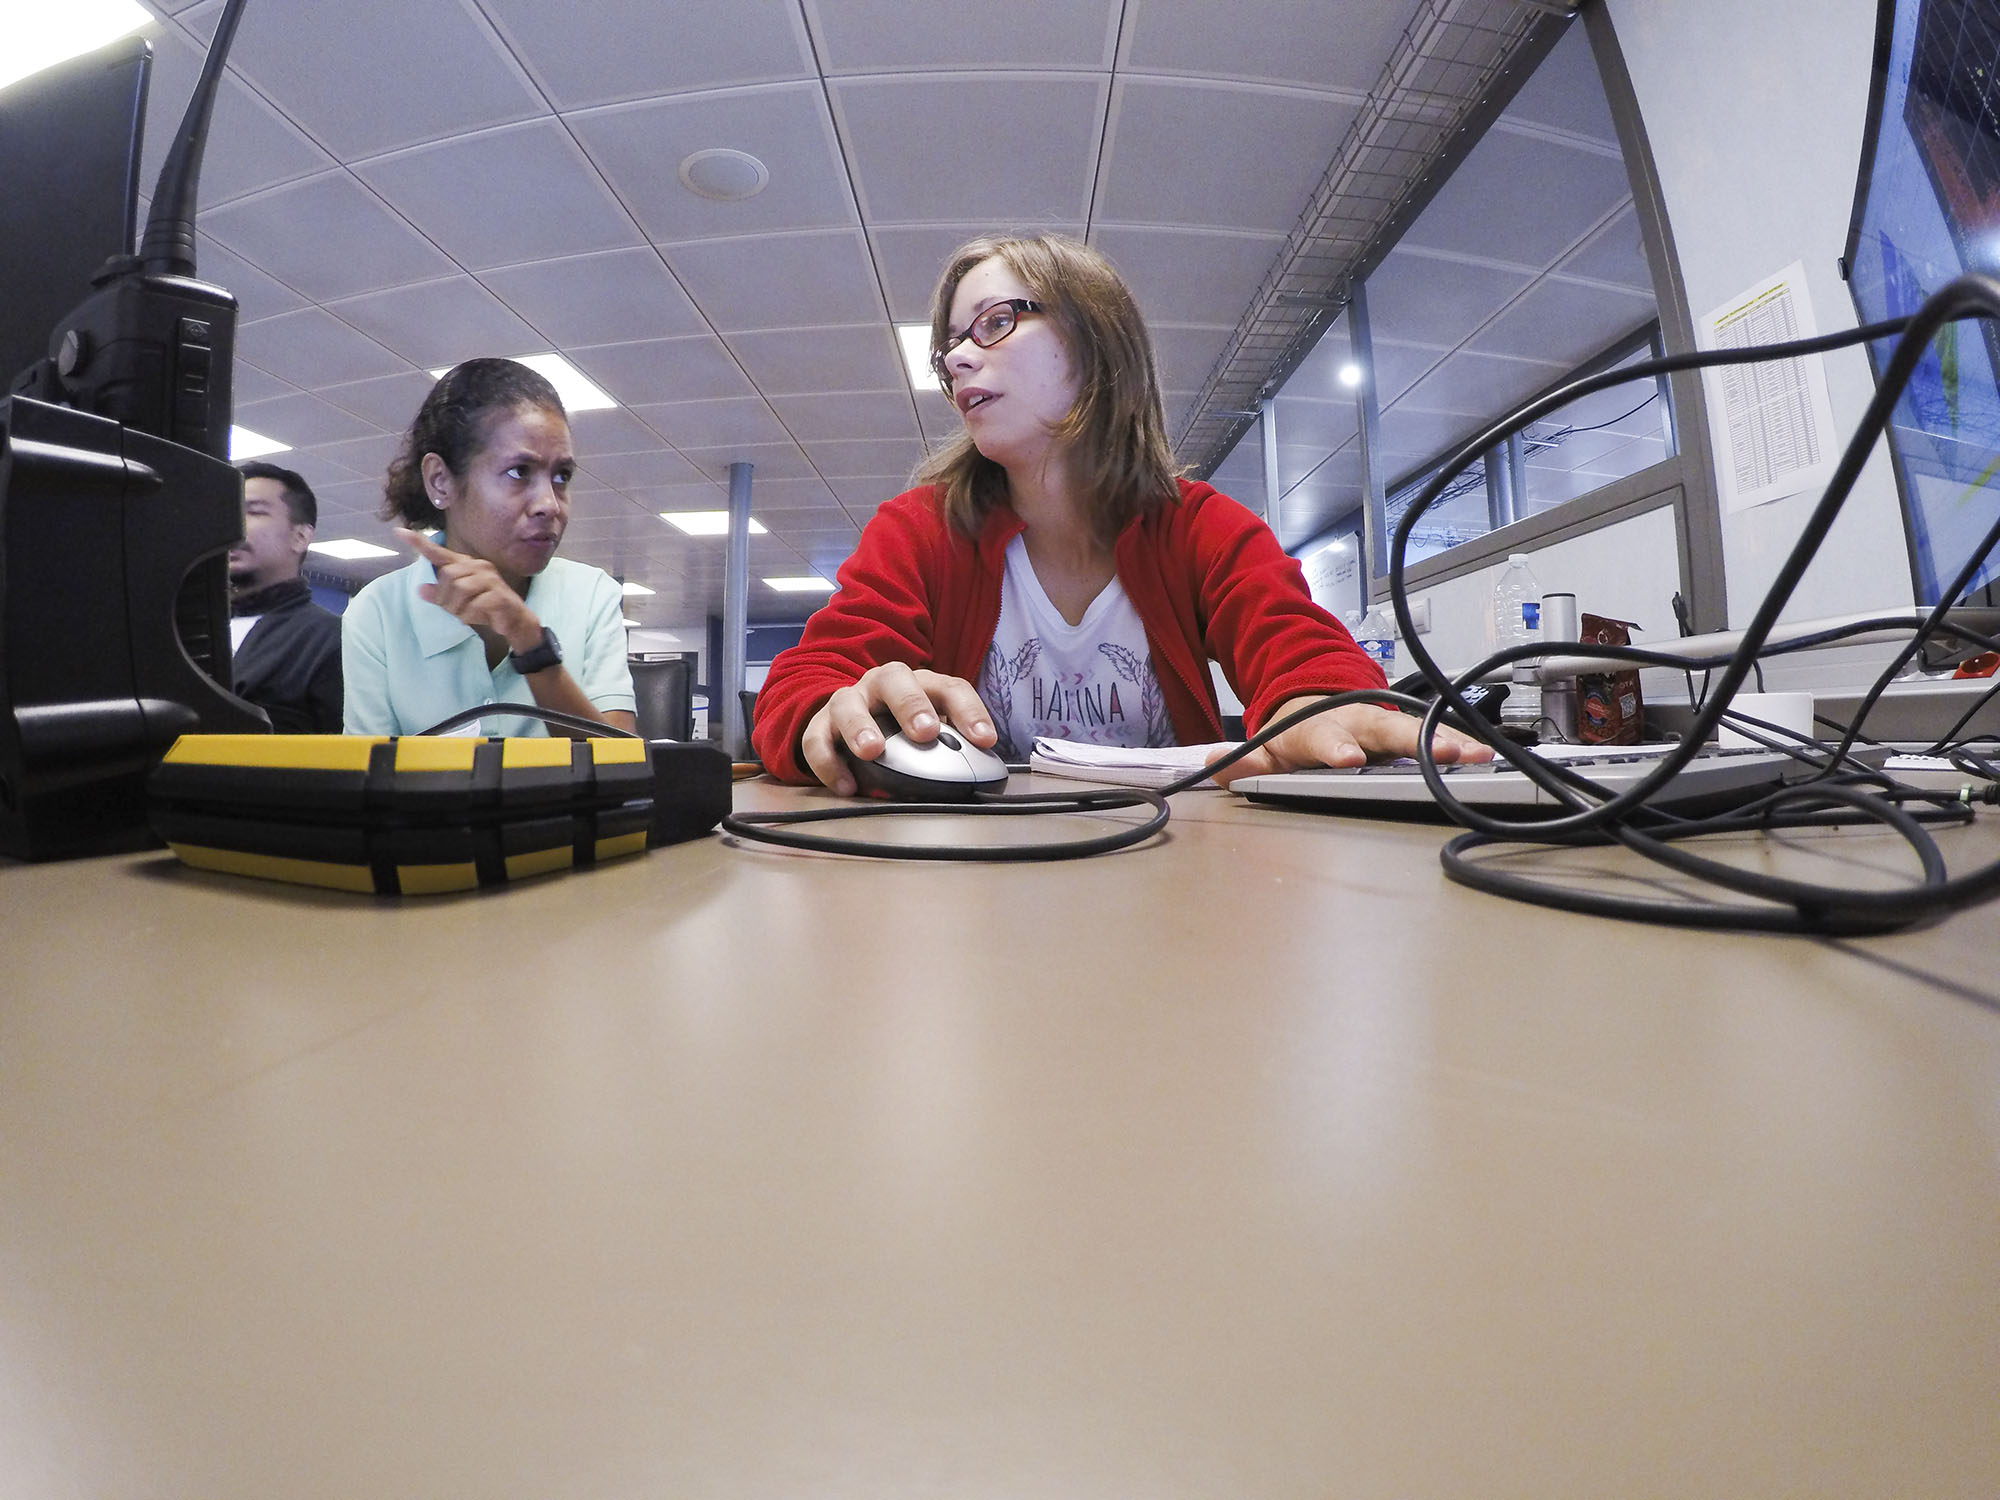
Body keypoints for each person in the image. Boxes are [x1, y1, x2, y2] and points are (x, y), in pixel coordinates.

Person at [751, 233, 1491, 791]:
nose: (957, 360)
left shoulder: (1202, 528)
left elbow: (1298, 648)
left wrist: (1320, 707)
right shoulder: (920, 530)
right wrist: (828, 712)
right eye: (949, 347)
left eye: (995, 323)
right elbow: (808, 679)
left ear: (1094, 339)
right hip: (969, 876)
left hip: (1177, 863)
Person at [342, 358, 636, 738]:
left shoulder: (592, 593)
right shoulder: (376, 613)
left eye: (562, 476)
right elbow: (371, 782)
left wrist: (529, 641)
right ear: (441, 481)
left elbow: (624, 763)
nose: (550, 503)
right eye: (519, 472)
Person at [228, 460, 343, 733]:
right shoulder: (189, 630)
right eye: (228, 511)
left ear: (300, 537)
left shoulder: (331, 640)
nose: (231, 524)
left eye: (253, 512)